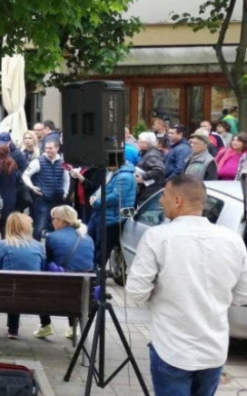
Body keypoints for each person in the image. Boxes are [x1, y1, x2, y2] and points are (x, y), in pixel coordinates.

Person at [126, 175, 247, 396]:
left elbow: (135, 292)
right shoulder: (233, 241)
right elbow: (242, 295)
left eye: (164, 195)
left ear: (178, 200)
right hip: (213, 348)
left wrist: (161, 291)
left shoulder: (158, 237)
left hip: (172, 347)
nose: (161, 201)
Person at [34, 205, 94, 340]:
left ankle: (45, 325)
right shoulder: (88, 238)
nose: (52, 222)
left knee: (41, 281)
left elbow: (47, 263)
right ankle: (73, 327)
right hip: (84, 290)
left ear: (62, 220)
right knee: (72, 281)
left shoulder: (52, 237)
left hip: (61, 288)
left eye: (54, 219)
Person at [0, 213, 45, 339]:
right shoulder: (38, 246)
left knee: (12, 284)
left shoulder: (2, 245)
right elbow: (42, 266)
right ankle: (45, 323)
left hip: (9, 292)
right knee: (20, 283)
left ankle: (13, 329)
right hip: (35, 293)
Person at [88, 161, 136, 264]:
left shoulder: (124, 177)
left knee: (102, 248)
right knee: (93, 243)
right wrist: (94, 196)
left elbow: (116, 197)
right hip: (101, 213)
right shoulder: (110, 172)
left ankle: (98, 274)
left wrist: (97, 202)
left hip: (113, 218)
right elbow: (103, 189)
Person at [23, 141, 69, 240]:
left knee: (57, 226)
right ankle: (35, 246)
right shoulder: (37, 161)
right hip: (43, 198)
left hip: (58, 199)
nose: (48, 150)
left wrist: (65, 192)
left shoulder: (63, 163)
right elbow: (25, 175)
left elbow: (66, 179)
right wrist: (32, 187)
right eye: (46, 148)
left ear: (57, 148)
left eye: (50, 148)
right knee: (39, 226)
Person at [136, 132, 166, 204]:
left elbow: (159, 169)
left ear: (146, 143)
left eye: (139, 141)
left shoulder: (151, 155)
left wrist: (143, 177)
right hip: (147, 190)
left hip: (150, 191)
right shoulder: (147, 153)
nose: (137, 143)